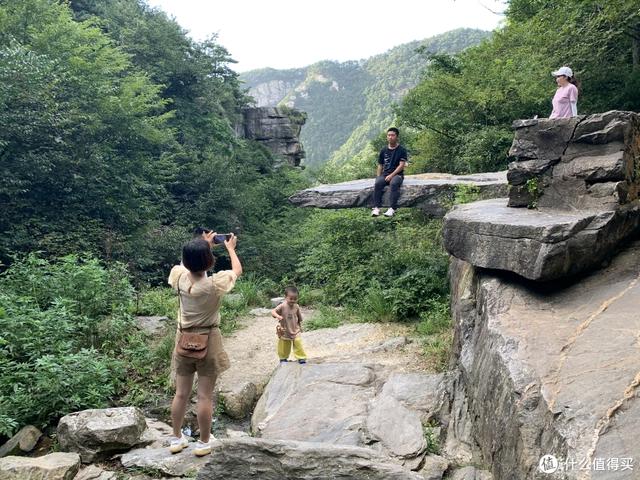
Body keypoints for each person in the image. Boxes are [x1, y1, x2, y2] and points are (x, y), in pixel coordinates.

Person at [166, 231, 242, 457]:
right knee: (205, 396)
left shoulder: (179, 277)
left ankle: (176, 438)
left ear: (186, 261)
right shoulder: (214, 285)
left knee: (181, 394)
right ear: (209, 262)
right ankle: (203, 443)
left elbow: (187, 266)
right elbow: (237, 271)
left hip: (183, 340)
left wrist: (202, 245)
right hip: (208, 340)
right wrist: (230, 248)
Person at [371, 127, 408, 217]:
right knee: (378, 183)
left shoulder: (401, 150)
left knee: (394, 183)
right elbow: (380, 165)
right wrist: (378, 177)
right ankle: (376, 208)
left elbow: (401, 165)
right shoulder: (383, 150)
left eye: (392, 135)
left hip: (397, 175)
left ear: (397, 137)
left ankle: (392, 209)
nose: (390, 137)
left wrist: (391, 175)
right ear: (387, 137)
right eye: (389, 135)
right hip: (385, 174)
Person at [271, 286, 307, 364]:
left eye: (295, 299)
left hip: (295, 329)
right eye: (291, 298)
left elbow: (299, 318)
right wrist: (278, 316)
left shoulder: (296, 306)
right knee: (284, 345)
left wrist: (300, 327)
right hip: (285, 330)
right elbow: (273, 312)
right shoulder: (282, 306)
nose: (293, 300)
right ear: (285, 297)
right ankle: (283, 358)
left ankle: (301, 357)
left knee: (298, 342)